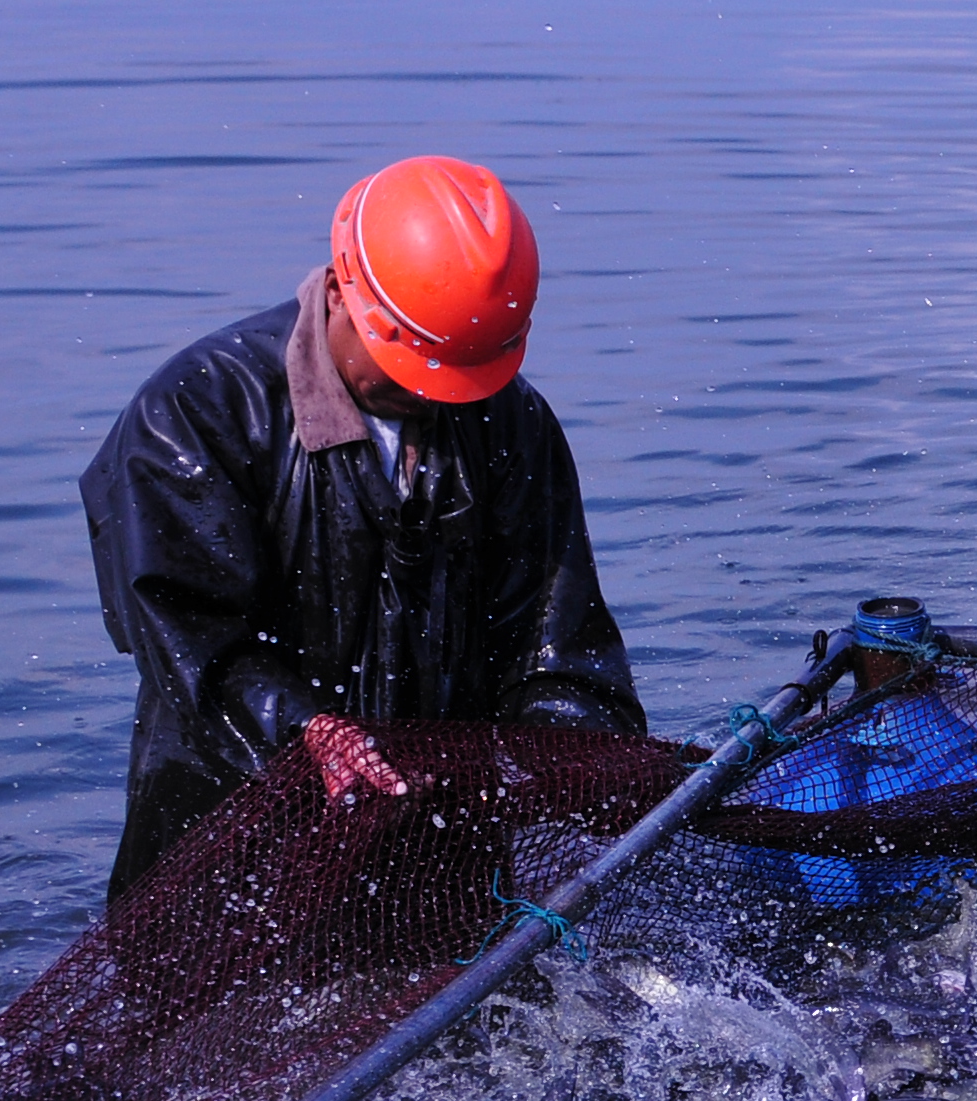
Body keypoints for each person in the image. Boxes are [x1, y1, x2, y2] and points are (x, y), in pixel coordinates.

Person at [81, 156, 640, 903]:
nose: (427, 392)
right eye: (408, 366)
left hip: (440, 846)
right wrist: (309, 733)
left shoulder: (509, 420)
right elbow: (195, 648)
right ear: (341, 290)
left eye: (453, 375)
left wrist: (566, 754)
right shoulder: (195, 413)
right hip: (230, 848)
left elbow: (557, 642)